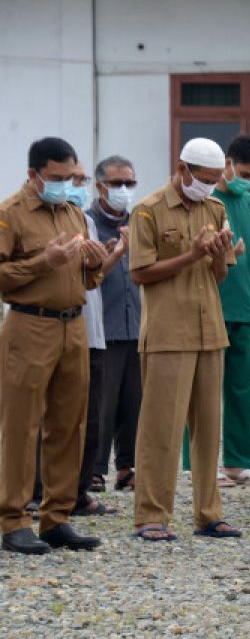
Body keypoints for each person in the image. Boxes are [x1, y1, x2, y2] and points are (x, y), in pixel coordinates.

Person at [129, 137, 240, 542]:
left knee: (209, 428)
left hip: (210, 329)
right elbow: (140, 273)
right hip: (167, 332)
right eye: (204, 179)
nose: (210, 186)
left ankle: (208, 514)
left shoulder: (216, 208)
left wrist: (215, 255)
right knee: (161, 428)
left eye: (215, 180)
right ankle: (151, 516)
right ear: (182, 169)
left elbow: (220, 274)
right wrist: (192, 254)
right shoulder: (148, 210)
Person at [0, 137, 107, 554]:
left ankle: (56, 517)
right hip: (29, 325)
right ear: (34, 174)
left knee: (69, 424)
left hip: (73, 326)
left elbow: (86, 280)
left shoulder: (73, 214)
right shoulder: (11, 215)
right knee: (21, 425)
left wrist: (95, 263)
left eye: (71, 176)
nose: (66, 185)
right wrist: (44, 262)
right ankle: (12, 520)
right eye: (57, 178)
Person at [182, 135, 250, 487]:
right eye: (244, 172)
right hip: (209, 305)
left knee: (243, 388)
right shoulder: (205, 200)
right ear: (227, 164)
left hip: (247, 308)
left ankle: (238, 461)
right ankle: (196, 465)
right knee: (203, 389)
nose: (247, 179)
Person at [66, 171, 127, 516]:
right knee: (50, 420)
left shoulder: (84, 221)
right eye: (67, 178)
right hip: (56, 329)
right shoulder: (21, 217)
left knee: (90, 420)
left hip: (92, 330)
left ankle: (77, 492)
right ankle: (36, 492)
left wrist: (111, 255)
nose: (76, 185)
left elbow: (93, 278)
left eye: (79, 177)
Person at [89, 156, 141, 494]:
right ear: (100, 186)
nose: (123, 191)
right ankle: (94, 470)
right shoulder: (87, 222)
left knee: (133, 402)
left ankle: (127, 466)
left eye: (129, 184)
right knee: (100, 404)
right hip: (102, 327)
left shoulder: (141, 222)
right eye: (116, 184)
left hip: (137, 324)